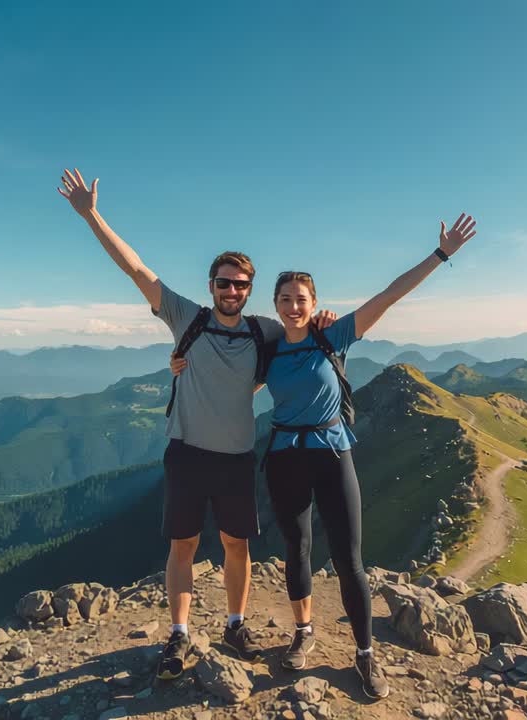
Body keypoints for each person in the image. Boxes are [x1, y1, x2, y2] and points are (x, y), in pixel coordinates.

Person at [173, 213, 478, 699]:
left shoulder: (330, 336)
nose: (293, 306)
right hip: (285, 458)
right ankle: (304, 632)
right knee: (296, 548)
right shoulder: (268, 347)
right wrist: (180, 370)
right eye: (285, 299)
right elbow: (230, 382)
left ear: (315, 304)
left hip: (332, 452)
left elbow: (390, 295)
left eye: (301, 299)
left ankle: (365, 655)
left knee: (347, 558)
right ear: (274, 305)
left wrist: (440, 255)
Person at [56, 168, 335, 680]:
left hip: (234, 456)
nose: (233, 290)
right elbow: (136, 269)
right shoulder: (186, 317)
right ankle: (179, 635)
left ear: (251, 290)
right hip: (185, 452)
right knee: (182, 546)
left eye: (241, 284)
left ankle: (234, 623)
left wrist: (320, 320)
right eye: (225, 282)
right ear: (211, 286)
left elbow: (300, 338)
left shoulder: (265, 330)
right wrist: (91, 215)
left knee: (237, 546)